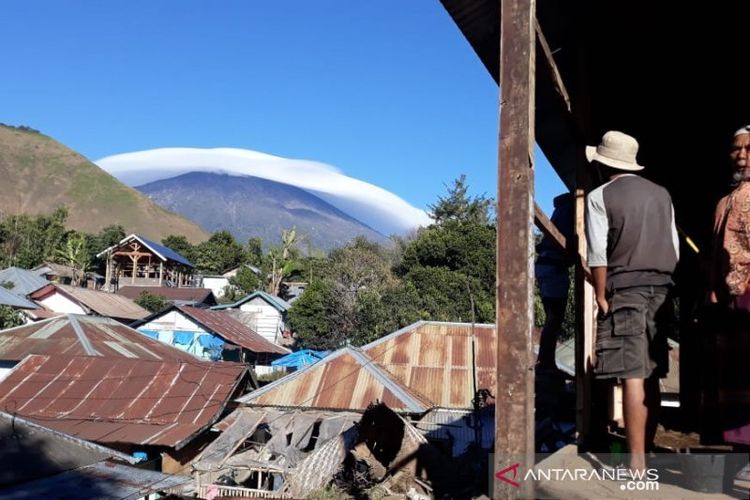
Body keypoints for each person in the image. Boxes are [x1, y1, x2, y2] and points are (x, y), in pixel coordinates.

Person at [585, 130, 679, 472]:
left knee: (632, 375)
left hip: (628, 288)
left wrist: (599, 294)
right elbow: (675, 246)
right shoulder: (662, 194)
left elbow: (597, 254)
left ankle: (636, 465)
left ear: (602, 164)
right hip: (663, 289)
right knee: (652, 373)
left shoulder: (600, 196)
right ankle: (646, 451)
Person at [708, 125, 750, 448]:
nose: (741, 156)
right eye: (736, 149)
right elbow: (713, 251)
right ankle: (742, 450)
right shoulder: (723, 202)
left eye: (748, 149)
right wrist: (712, 286)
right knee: (734, 375)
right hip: (729, 298)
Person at [535, 192, 574, 377]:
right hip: (554, 267)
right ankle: (545, 362)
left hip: (547, 266)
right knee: (555, 317)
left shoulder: (560, 210)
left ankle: (546, 360)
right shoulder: (570, 211)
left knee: (553, 316)